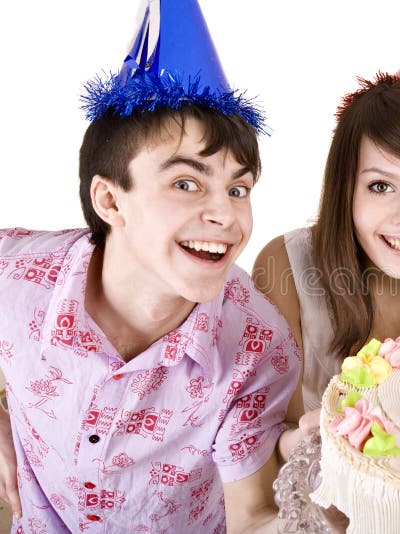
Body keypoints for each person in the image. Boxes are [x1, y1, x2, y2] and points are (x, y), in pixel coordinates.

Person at [0, 2, 299, 532]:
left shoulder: (256, 344)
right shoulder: (17, 276)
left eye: (238, 188)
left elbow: (252, 516)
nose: (225, 213)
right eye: (186, 183)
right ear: (110, 202)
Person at [252, 50, 400, 471]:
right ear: (345, 188)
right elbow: (258, 446)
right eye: (381, 186)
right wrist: (301, 442)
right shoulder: (286, 268)